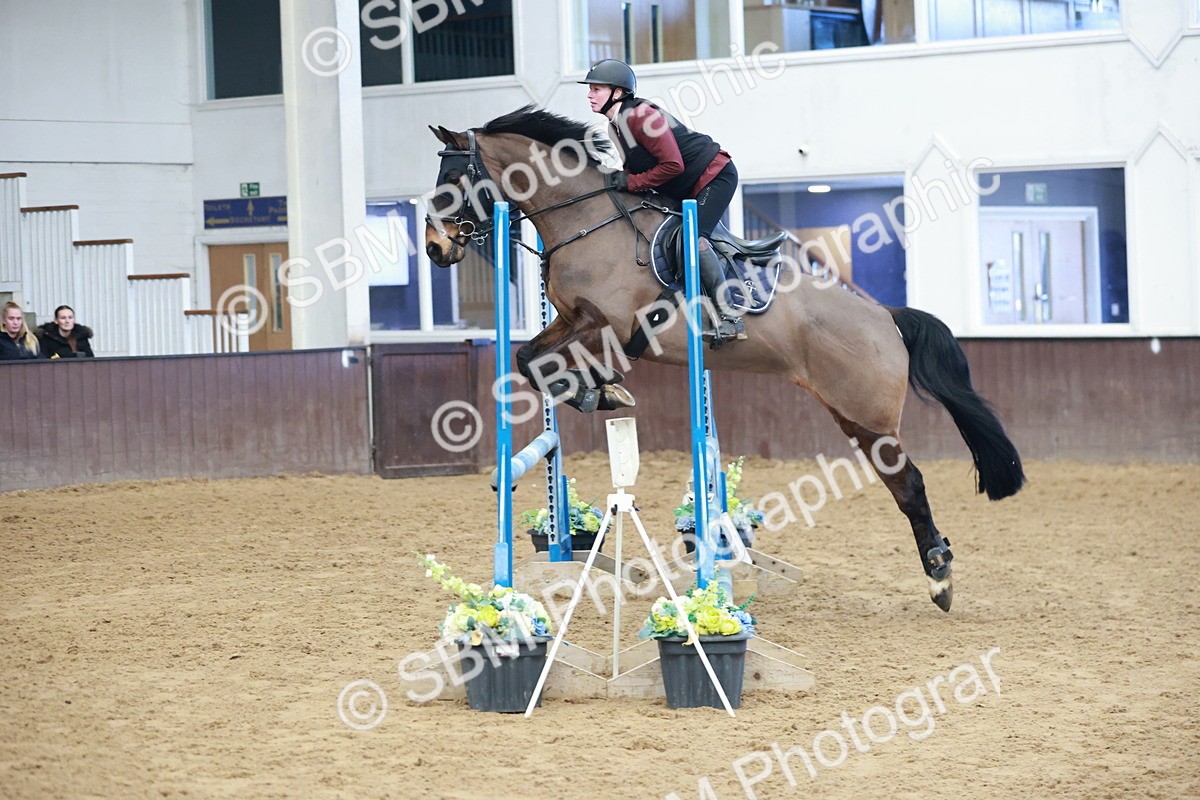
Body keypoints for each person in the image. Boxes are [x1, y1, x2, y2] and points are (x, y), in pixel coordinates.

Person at [581, 58, 746, 344]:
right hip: (683, 186)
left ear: (617, 93)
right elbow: (633, 171)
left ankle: (730, 316)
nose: (590, 94)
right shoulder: (614, 128)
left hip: (713, 176)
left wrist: (631, 182)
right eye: (591, 89)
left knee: (693, 240)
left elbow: (672, 165)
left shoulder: (641, 116)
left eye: (596, 89)